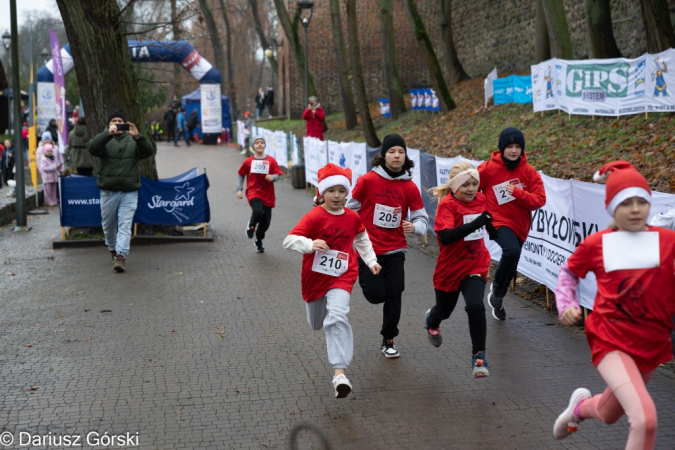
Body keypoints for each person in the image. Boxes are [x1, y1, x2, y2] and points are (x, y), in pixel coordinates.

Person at [553, 161, 675, 449]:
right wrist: (566, 303)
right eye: (626, 203)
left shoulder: (667, 241)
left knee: (609, 413)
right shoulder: (598, 244)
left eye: (641, 202)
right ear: (611, 208)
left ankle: (579, 409)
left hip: (651, 343)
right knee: (645, 420)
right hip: (610, 340)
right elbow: (569, 273)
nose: (635, 209)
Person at [284, 163, 381, 398]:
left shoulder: (352, 217)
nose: (337, 196)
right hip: (315, 279)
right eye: (331, 191)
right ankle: (336, 360)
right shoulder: (314, 216)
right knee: (317, 323)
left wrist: (371, 261)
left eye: (342, 191)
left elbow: (362, 239)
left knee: (337, 316)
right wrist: (309, 244)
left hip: (343, 275)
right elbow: (288, 240)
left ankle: (340, 374)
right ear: (322, 193)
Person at [347, 134, 428, 358]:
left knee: (394, 294)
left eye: (401, 152)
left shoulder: (409, 186)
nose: (396, 155)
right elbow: (350, 208)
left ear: (405, 156)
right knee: (376, 295)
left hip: (396, 249)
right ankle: (361, 272)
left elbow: (421, 217)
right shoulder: (367, 181)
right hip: (368, 248)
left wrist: (416, 227)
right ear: (384, 156)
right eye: (392, 151)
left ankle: (389, 338)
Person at [424, 161, 498, 377]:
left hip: (476, 263)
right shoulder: (448, 205)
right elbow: (446, 237)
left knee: (475, 306)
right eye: (466, 185)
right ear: (455, 187)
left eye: (475, 184)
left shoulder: (481, 199)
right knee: (443, 312)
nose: (471, 189)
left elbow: (485, 218)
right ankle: (432, 319)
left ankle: (479, 356)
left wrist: (493, 231)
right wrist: (478, 223)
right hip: (449, 269)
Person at [478, 127, 546, 320]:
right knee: (512, 251)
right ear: (501, 148)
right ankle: (498, 290)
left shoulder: (529, 172)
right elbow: (473, 189)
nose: (514, 150)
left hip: (520, 225)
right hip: (497, 221)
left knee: (513, 262)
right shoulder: (488, 169)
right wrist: (482, 213)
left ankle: (498, 295)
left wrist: (517, 192)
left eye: (518, 146)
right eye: (510, 146)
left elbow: (540, 200)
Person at [87, 108, 155, 273]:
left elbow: (148, 152)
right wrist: (107, 134)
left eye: (119, 121)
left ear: (125, 123)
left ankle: (120, 256)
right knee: (109, 226)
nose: (117, 124)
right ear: (108, 124)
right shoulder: (104, 139)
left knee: (125, 225)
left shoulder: (133, 139)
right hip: (108, 191)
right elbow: (92, 148)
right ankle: (112, 248)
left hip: (129, 192)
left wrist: (138, 137)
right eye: (113, 122)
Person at [236, 135, 283, 253]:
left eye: (262, 142)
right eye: (257, 142)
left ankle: (258, 240)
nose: (260, 144)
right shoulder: (248, 161)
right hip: (253, 191)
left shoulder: (271, 161)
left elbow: (278, 174)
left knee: (265, 224)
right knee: (258, 211)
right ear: (253, 146)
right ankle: (251, 225)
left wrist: (272, 177)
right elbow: (241, 174)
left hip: (267, 193)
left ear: (265, 145)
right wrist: (239, 189)